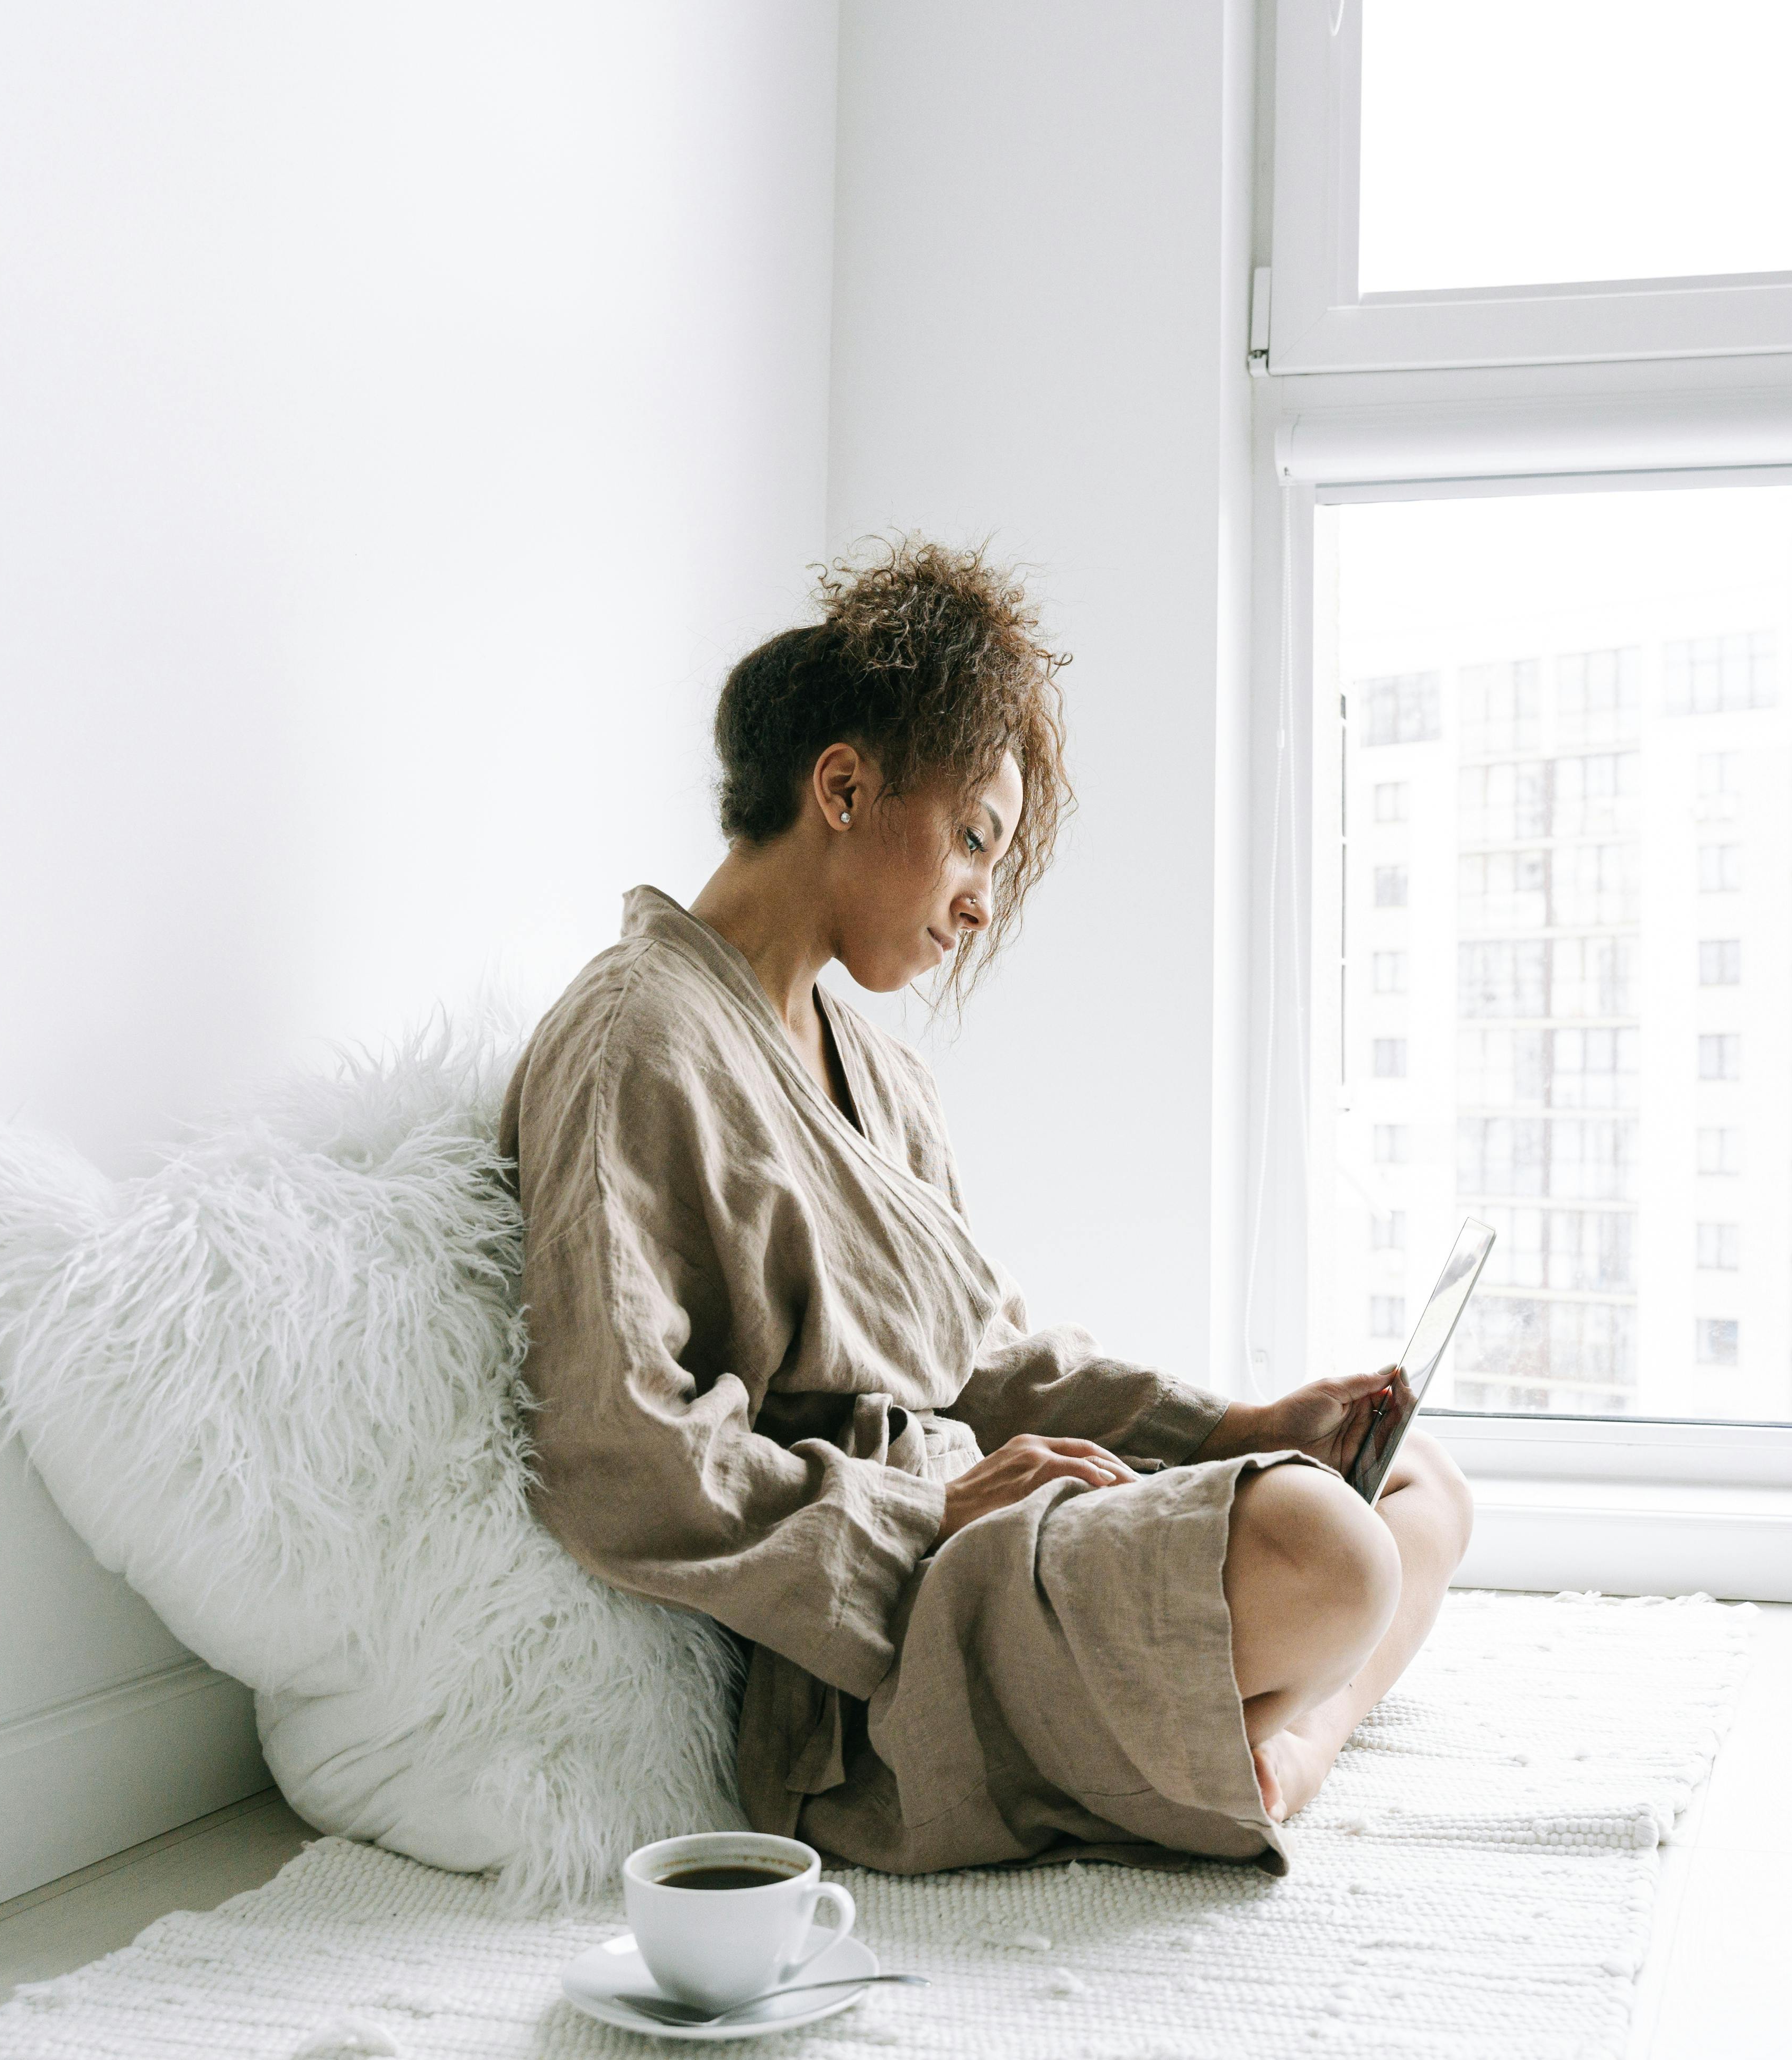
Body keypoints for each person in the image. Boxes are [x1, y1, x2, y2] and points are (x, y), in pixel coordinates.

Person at [500, 537, 1474, 1874]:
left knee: (1420, 1483)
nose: (979, 900)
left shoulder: (880, 1069)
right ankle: (1280, 1734)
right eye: (971, 838)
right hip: (885, 1622)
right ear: (839, 786)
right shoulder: (637, 1037)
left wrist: (1233, 1423)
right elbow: (619, 1452)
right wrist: (928, 1518)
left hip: (983, 1525)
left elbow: (985, 1356)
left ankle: (1279, 1739)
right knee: (1337, 1553)